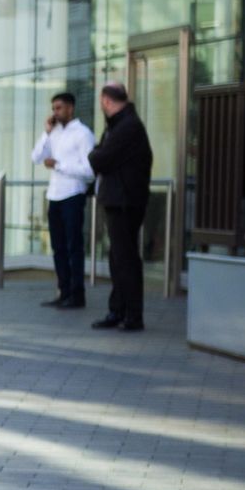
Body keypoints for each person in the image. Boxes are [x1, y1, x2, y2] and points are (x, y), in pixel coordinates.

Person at [87, 83, 153, 333]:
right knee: (118, 257)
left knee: (125, 259)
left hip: (124, 201)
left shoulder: (127, 127)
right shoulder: (122, 125)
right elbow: (101, 156)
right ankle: (118, 310)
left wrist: (98, 154)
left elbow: (98, 158)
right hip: (121, 199)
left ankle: (131, 315)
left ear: (105, 101)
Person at [31, 92, 96, 310]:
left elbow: (89, 171)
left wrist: (59, 165)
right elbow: (36, 157)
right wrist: (46, 132)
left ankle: (77, 295)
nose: (55, 113)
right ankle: (63, 291)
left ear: (70, 108)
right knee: (58, 247)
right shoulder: (54, 132)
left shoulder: (83, 134)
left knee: (73, 247)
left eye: (59, 108)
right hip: (54, 195)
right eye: (53, 109)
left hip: (73, 195)